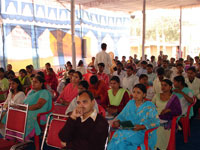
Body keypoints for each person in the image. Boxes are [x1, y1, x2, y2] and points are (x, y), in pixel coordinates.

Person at [107, 84, 160, 150]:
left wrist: (141, 127)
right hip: (128, 129)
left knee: (120, 138)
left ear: (144, 94)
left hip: (142, 133)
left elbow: (156, 122)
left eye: (138, 93)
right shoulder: (130, 103)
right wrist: (118, 122)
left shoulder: (149, 106)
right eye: (134, 92)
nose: (135, 95)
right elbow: (122, 116)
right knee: (117, 139)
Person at [152, 79, 182, 150]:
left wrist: (169, 110)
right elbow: (150, 106)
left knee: (159, 130)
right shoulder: (156, 95)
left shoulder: (174, 98)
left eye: (165, 85)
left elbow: (179, 111)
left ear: (170, 87)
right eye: (162, 85)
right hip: (156, 118)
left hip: (167, 120)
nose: (163, 87)